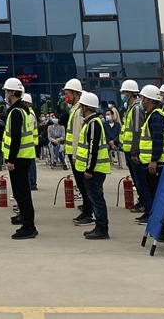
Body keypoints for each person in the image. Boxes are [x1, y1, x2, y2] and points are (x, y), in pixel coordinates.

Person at [137, 84, 164, 241]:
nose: (141, 100)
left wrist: (153, 160)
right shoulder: (153, 115)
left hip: (159, 165)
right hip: (157, 164)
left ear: (148, 99)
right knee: (161, 198)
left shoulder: (155, 116)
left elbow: (157, 141)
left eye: (142, 98)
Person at [3, 78, 37, 239]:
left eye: (6, 91)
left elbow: (15, 138)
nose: (5, 94)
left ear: (11, 92)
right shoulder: (23, 109)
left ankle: (28, 226)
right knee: (23, 192)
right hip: (23, 157)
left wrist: (11, 160)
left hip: (18, 159)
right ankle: (26, 221)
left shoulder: (16, 111)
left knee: (21, 193)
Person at [76, 92, 110, 239]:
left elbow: (92, 148)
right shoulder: (91, 122)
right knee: (95, 199)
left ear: (86, 107)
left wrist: (89, 169)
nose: (80, 109)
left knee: (97, 199)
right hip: (94, 169)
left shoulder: (93, 124)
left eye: (81, 106)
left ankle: (102, 228)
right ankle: (99, 226)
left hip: (95, 170)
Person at [63, 78, 93, 226]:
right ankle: (87, 208)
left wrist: (74, 155)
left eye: (68, 93)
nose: (66, 97)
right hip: (74, 153)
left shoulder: (78, 112)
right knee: (81, 185)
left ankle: (88, 212)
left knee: (83, 185)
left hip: (77, 155)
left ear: (76, 94)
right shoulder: (75, 110)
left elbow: (76, 135)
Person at [119, 79, 151, 213]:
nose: (122, 95)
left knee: (141, 181)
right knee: (137, 180)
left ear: (130, 93)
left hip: (134, 151)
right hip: (128, 150)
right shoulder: (130, 108)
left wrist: (135, 151)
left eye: (124, 92)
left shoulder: (137, 108)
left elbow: (137, 130)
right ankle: (142, 201)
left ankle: (146, 205)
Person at [22, 93, 39, 191]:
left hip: (30, 143)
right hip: (29, 143)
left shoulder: (30, 115)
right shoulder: (27, 113)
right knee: (29, 164)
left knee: (31, 165)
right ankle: (31, 182)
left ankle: (32, 183)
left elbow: (29, 130)